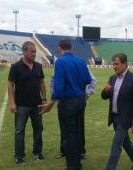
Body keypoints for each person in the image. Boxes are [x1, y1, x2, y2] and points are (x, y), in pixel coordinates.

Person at [40, 39, 92, 170]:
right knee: (77, 131)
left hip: (68, 102)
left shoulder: (60, 62)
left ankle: (73, 166)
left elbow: (58, 87)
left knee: (69, 134)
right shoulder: (81, 60)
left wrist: (51, 103)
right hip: (81, 100)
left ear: (59, 48)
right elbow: (88, 80)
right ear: (72, 47)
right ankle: (78, 161)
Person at [101, 53, 133, 170]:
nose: (114, 66)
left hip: (125, 118)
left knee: (116, 145)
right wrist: (105, 90)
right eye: (113, 64)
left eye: (117, 64)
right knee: (126, 142)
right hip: (114, 117)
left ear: (125, 64)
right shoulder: (112, 78)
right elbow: (104, 96)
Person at [8, 41, 46, 164]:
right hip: (21, 105)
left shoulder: (38, 66)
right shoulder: (15, 67)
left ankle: (37, 152)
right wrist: (12, 103)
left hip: (37, 104)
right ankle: (19, 156)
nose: (34, 54)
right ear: (24, 52)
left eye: (35, 52)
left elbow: (41, 83)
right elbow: (10, 85)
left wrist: (44, 99)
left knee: (38, 129)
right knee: (19, 131)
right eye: (32, 52)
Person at [54, 70, 97, 160]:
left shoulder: (79, 64)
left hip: (77, 101)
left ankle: (80, 151)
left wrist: (87, 94)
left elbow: (93, 80)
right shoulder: (61, 64)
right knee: (64, 127)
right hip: (64, 101)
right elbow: (53, 80)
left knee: (79, 126)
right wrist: (57, 96)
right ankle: (64, 150)